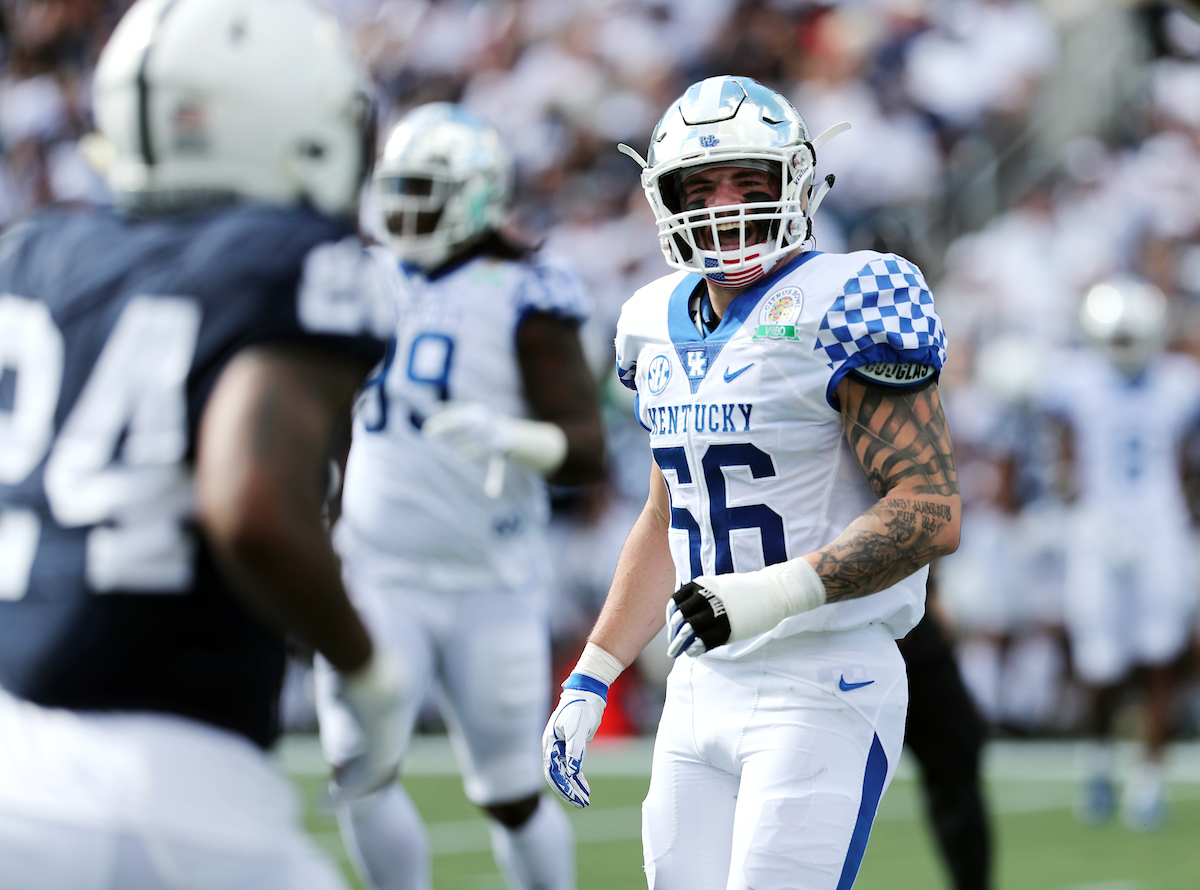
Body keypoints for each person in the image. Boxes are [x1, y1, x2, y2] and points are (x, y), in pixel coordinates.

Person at [0, 1, 404, 887]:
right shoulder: (299, 255)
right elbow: (252, 505)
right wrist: (367, 670)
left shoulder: (35, 251)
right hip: (172, 781)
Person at [543, 75, 961, 890]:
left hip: (822, 669)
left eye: (748, 180)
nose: (725, 204)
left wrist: (768, 595)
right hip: (698, 683)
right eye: (700, 186)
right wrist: (593, 674)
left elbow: (930, 508)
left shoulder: (850, 297)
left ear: (796, 181)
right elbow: (671, 507)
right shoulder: (647, 321)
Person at [315, 102, 606, 890]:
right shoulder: (360, 276)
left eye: (425, 191)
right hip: (377, 573)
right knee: (358, 768)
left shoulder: (525, 291)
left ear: (477, 195)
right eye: (397, 189)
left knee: (511, 791)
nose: (405, 210)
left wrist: (520, 438)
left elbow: (588, 449)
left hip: (490, 580)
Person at [1041, 275, 1200, 830]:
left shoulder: (1181, 382)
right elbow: (1062, 456)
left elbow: (1187, 464)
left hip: (1162, 529)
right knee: (1099, 662)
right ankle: (1100, 763)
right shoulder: (1075, 382)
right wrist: (1078, 507)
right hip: (1097, 530)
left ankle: (1149, 779)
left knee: (1163, 654)